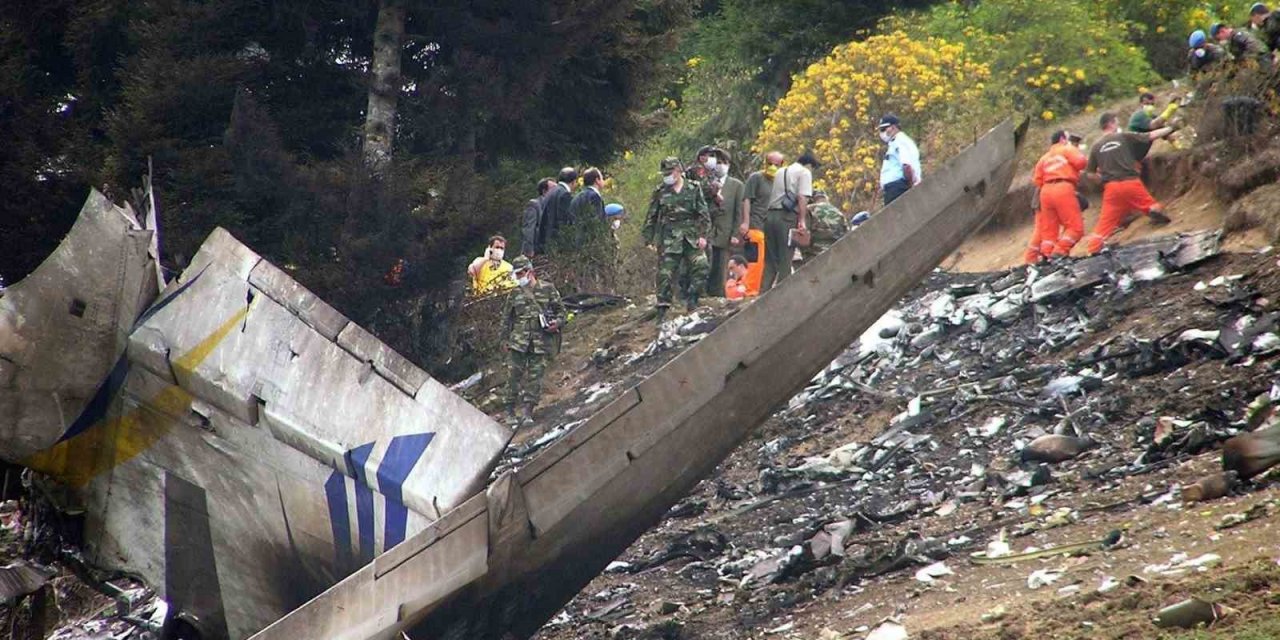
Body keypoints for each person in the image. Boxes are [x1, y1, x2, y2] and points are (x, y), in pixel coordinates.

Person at [1083, 113, 1178, 254]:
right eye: (1116, 122)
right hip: (1130, 182)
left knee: (1103, 226)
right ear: (1111, 123)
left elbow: (1089, 174)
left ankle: (1092, 249)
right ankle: (1153, 212)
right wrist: (1171, 128)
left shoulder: (1096, 147)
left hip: (1111, 188)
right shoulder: (1123, 137)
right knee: (1153, 206)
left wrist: (1102, 180)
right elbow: (1151, 135)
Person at [501, 255, 566, 427]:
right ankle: (509, 411)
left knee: (535, 378)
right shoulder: (514, 294)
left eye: (520, 273)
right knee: (513, 376)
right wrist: (504, 340)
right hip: (518, 342)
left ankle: (527, 412)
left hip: (541, 341)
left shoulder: (548, 289)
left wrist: (556, 323)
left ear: (529, 272)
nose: (518, 277)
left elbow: (562, 312)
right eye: (516, 274)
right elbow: (506, 319)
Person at [642, 157, 711, 318]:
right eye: (665, 173)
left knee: (701, 266)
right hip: (669, 238)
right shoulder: (660, 191)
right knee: (665, 273)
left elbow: (704, 214)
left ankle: (692, 298)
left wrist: (703, 235)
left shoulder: (694, 188)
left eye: (670, 172)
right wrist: (648, 239)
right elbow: (651, 216)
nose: (667, 176)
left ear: (678, 170)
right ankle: (663, 307)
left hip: (691, 236)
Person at [1024, 130, 1087, 263]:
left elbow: (1037, 180)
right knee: (1075, 228)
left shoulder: (1044, 158)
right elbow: (1081, 162)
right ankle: (1059, 253)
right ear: (1063, 139)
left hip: (1045, 192)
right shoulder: (1066, 149)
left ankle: (1046, 256)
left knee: (1048, 234)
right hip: (1063, 188)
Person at [761, 151, 818, 292]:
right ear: (809, 165)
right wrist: (802, 220)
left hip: (770, 216)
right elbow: (802, 197)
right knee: (785, 259)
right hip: (786, 218)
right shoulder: (804, 172)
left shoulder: (781, 171)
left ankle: (762, 294)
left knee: (770, 261)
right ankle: (782, 295)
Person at [739, 151, 782, 296]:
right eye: (770, 164)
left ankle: (762, 291)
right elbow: (746, 200)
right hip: (755, 225)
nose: (773, 167)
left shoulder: (781, 181)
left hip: (771, 228)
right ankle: (750, 292)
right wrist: (745, 222)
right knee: (755, 261)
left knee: (769, 263)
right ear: (765, 163)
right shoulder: (756, 178)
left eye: (777, 165)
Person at [706, 151, 746, 297]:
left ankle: (721, 294)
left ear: (729, 165)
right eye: (718, 162)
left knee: (723, 265)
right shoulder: (706, 183)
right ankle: (706, 293)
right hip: (709, 231)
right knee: (707, 264)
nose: (720, 165)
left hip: (726, 231)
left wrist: (735, 233)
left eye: (724, 162)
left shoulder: (736, 185)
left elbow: (738, 211)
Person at [877, 114, 922, 207]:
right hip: (894, 188)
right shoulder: (895, 142)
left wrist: (910, 186)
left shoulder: (900, 141)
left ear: (893, 127)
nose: (882, 133)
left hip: (898, 188)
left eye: (884, 129)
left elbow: (906, 166)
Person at [798, 190, 850, 263]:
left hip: (815, 255)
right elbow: (847, 234)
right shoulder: (838, 212)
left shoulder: (809, 209)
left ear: (812, 199)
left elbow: (803, 233)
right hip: (836, 254)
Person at [539, 167, 577, 250]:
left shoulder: (551, 192)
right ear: (573, 181)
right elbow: (564, 221)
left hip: (547, 241)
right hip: (559, 244)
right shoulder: (565, 194)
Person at [521, 177, 556, 256]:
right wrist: (529, 251)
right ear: (544, 191)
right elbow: (529, 229)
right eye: (553, 188)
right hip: (535, 251)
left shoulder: (554, 206)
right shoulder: (534, 205)